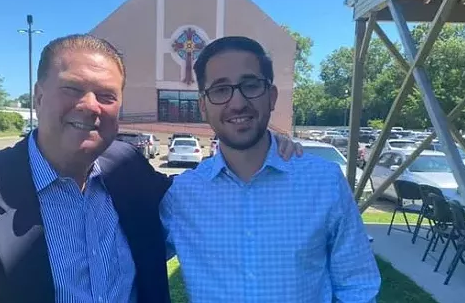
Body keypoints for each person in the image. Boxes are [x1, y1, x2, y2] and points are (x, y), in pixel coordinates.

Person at [0, 34, 303, 303]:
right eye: (72, 89)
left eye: (106, 95)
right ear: (39, 95)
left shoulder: (129, 171)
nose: (89, 106)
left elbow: (203, 192)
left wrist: (266, 142)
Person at [161, 36, 381, 302]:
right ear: (203, 106)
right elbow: (125, 262)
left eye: (250, 85)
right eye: (220, 90)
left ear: (271, 96)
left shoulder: (324, 183)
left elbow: (358, 286)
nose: (237, 102)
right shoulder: (180, 197)